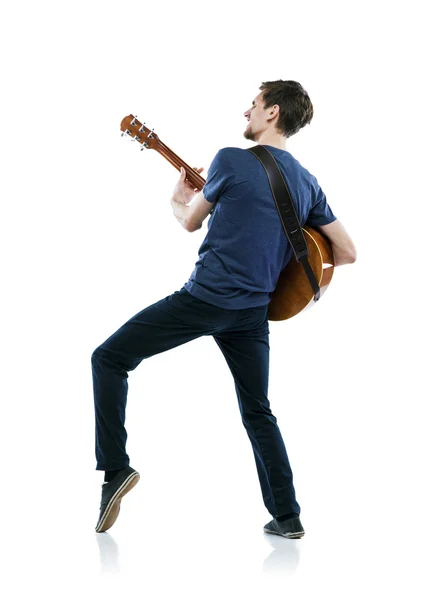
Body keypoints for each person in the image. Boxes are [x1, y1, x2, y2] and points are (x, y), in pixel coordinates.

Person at [92, 79, 357, 537]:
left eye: (253, 105)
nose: (246, 113)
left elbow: (191, 222)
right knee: (258, 411)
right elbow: (348, 252)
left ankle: (115, 469)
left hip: (204, 300)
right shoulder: (307, 182)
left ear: (272, 112)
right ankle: (288, 516)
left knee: (109, 358)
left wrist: (178, 199)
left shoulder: (229, 160)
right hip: (253, 314)